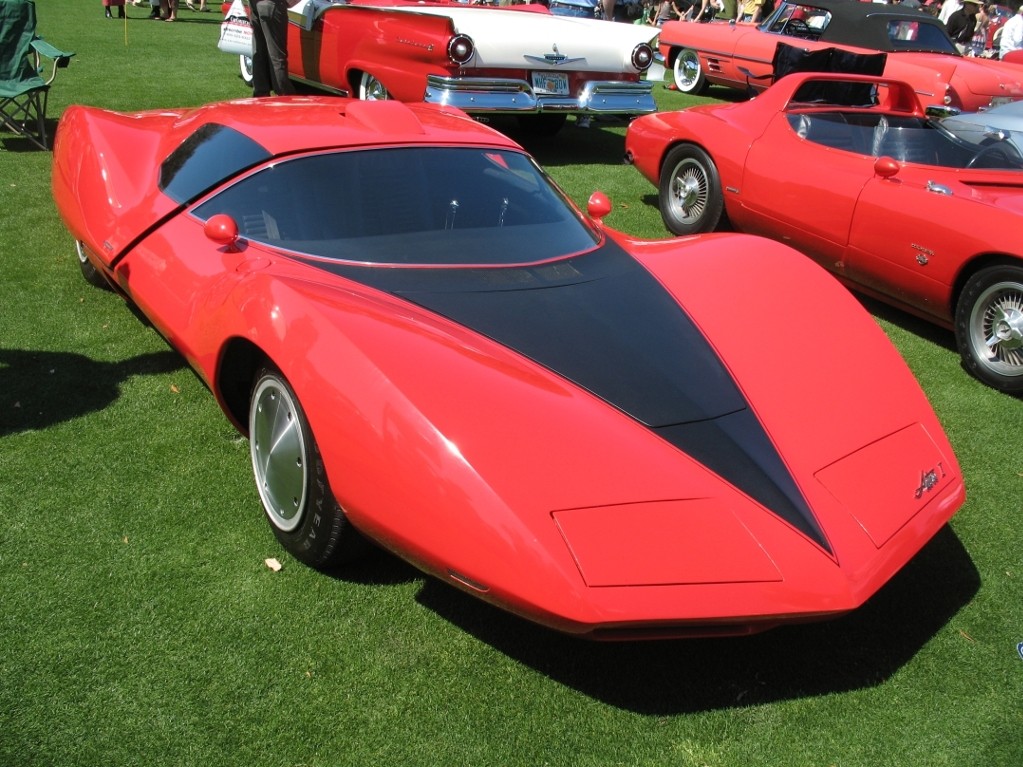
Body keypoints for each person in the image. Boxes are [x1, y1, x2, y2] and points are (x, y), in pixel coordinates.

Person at [252, 0, 296, 96]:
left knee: (260, 52)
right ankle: (283, 94)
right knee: (276, 55)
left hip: (256, 4)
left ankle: (261, 94)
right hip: (272, 4)